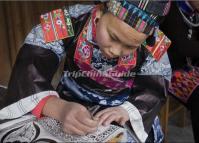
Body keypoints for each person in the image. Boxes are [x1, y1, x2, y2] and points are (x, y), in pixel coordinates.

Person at [0, 0, 171, 142]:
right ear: (98, 15)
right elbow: (32, 59)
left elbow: (154, 89)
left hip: (120, 113)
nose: (116, 51)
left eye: (129, 47)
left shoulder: (154, 42)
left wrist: (127, 111)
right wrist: (56, 107)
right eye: (113, 37)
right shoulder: (70, 19)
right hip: (67, 103)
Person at [161, 1, 199, 142]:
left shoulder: (193, 11)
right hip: (168, 70)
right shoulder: (171, 8)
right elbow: (183, 47)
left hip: (188, 66)